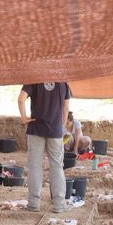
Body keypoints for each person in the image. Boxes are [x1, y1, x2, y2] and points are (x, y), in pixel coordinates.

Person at [16, 81, 72, 213]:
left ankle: (34, 203)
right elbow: (66, 107)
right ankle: (59, 204)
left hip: (36, 129)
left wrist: (24, 118)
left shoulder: (34, 79)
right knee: (57, 166)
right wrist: (61, 124)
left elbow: (20, 99)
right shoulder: (62, 82)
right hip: (55, 131)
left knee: (35, 166)